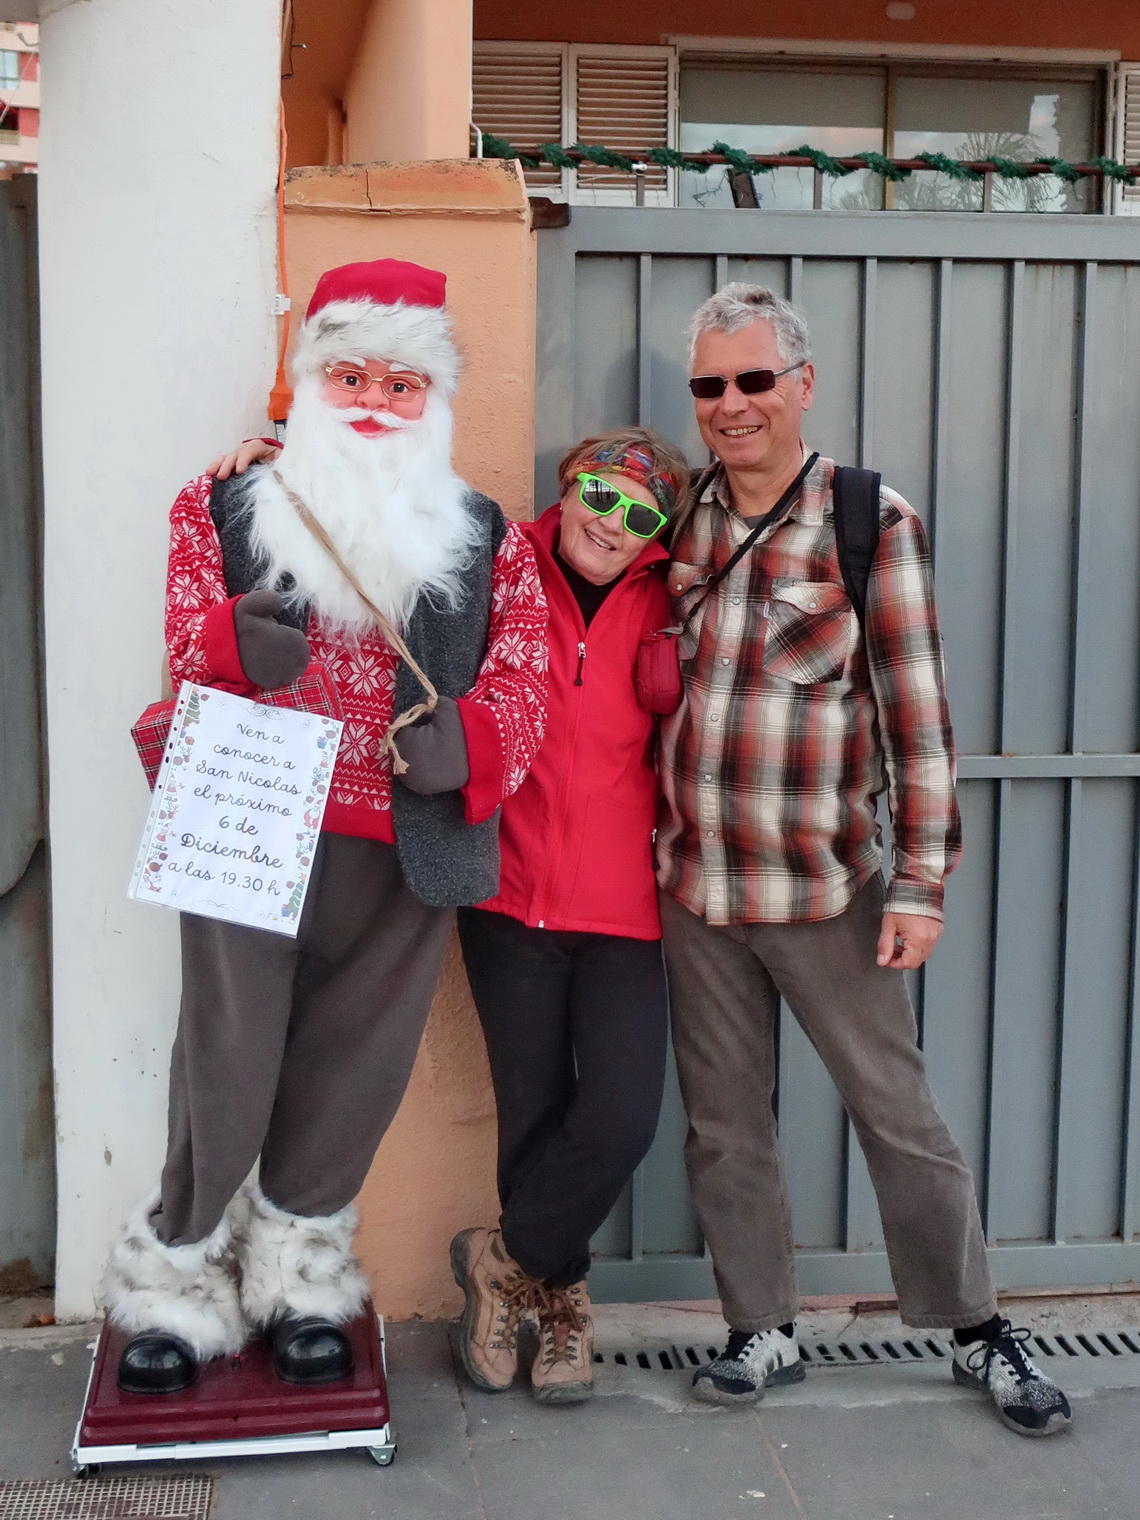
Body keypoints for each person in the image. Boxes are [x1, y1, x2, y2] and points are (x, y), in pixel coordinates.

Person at [99, 258, 548, 1396]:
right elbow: (183, 630)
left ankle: (300, 1274)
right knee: (228, 1057)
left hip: (406, 843)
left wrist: (478, 744)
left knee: (357, 1065)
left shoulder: (488, 533)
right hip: (250, 825)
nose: (373, 401)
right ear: (308, 381)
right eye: (349, 374)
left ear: (433, 400)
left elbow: (528, 676)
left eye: (401, 384)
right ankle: (177, 1277)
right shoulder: (224, 503)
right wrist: (225, 646)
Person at [657, 283, 1072, 1438]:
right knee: (724, 1121)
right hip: (695, 883)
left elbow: (918, 717)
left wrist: (923, 882)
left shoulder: (865, 518)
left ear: (802, 384)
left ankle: (979, 1326)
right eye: (709, 384)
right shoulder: (683, 515)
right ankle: (763, 1326)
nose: (731, 405)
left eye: (753, 380)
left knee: (897, 1111)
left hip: (824, 884)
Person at [219, 425, 689, 1408]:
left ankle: (503, 1259)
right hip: (504, 890)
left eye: (641, 513)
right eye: (601, 495)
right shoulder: (494, 561)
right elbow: (371, 524)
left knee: (619, 1114)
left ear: (659, 532)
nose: (613, 522)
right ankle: (560, 1304)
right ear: (572, 486)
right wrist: (286, 455)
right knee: (530, 1116)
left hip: (624, 910)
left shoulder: (674, 601)